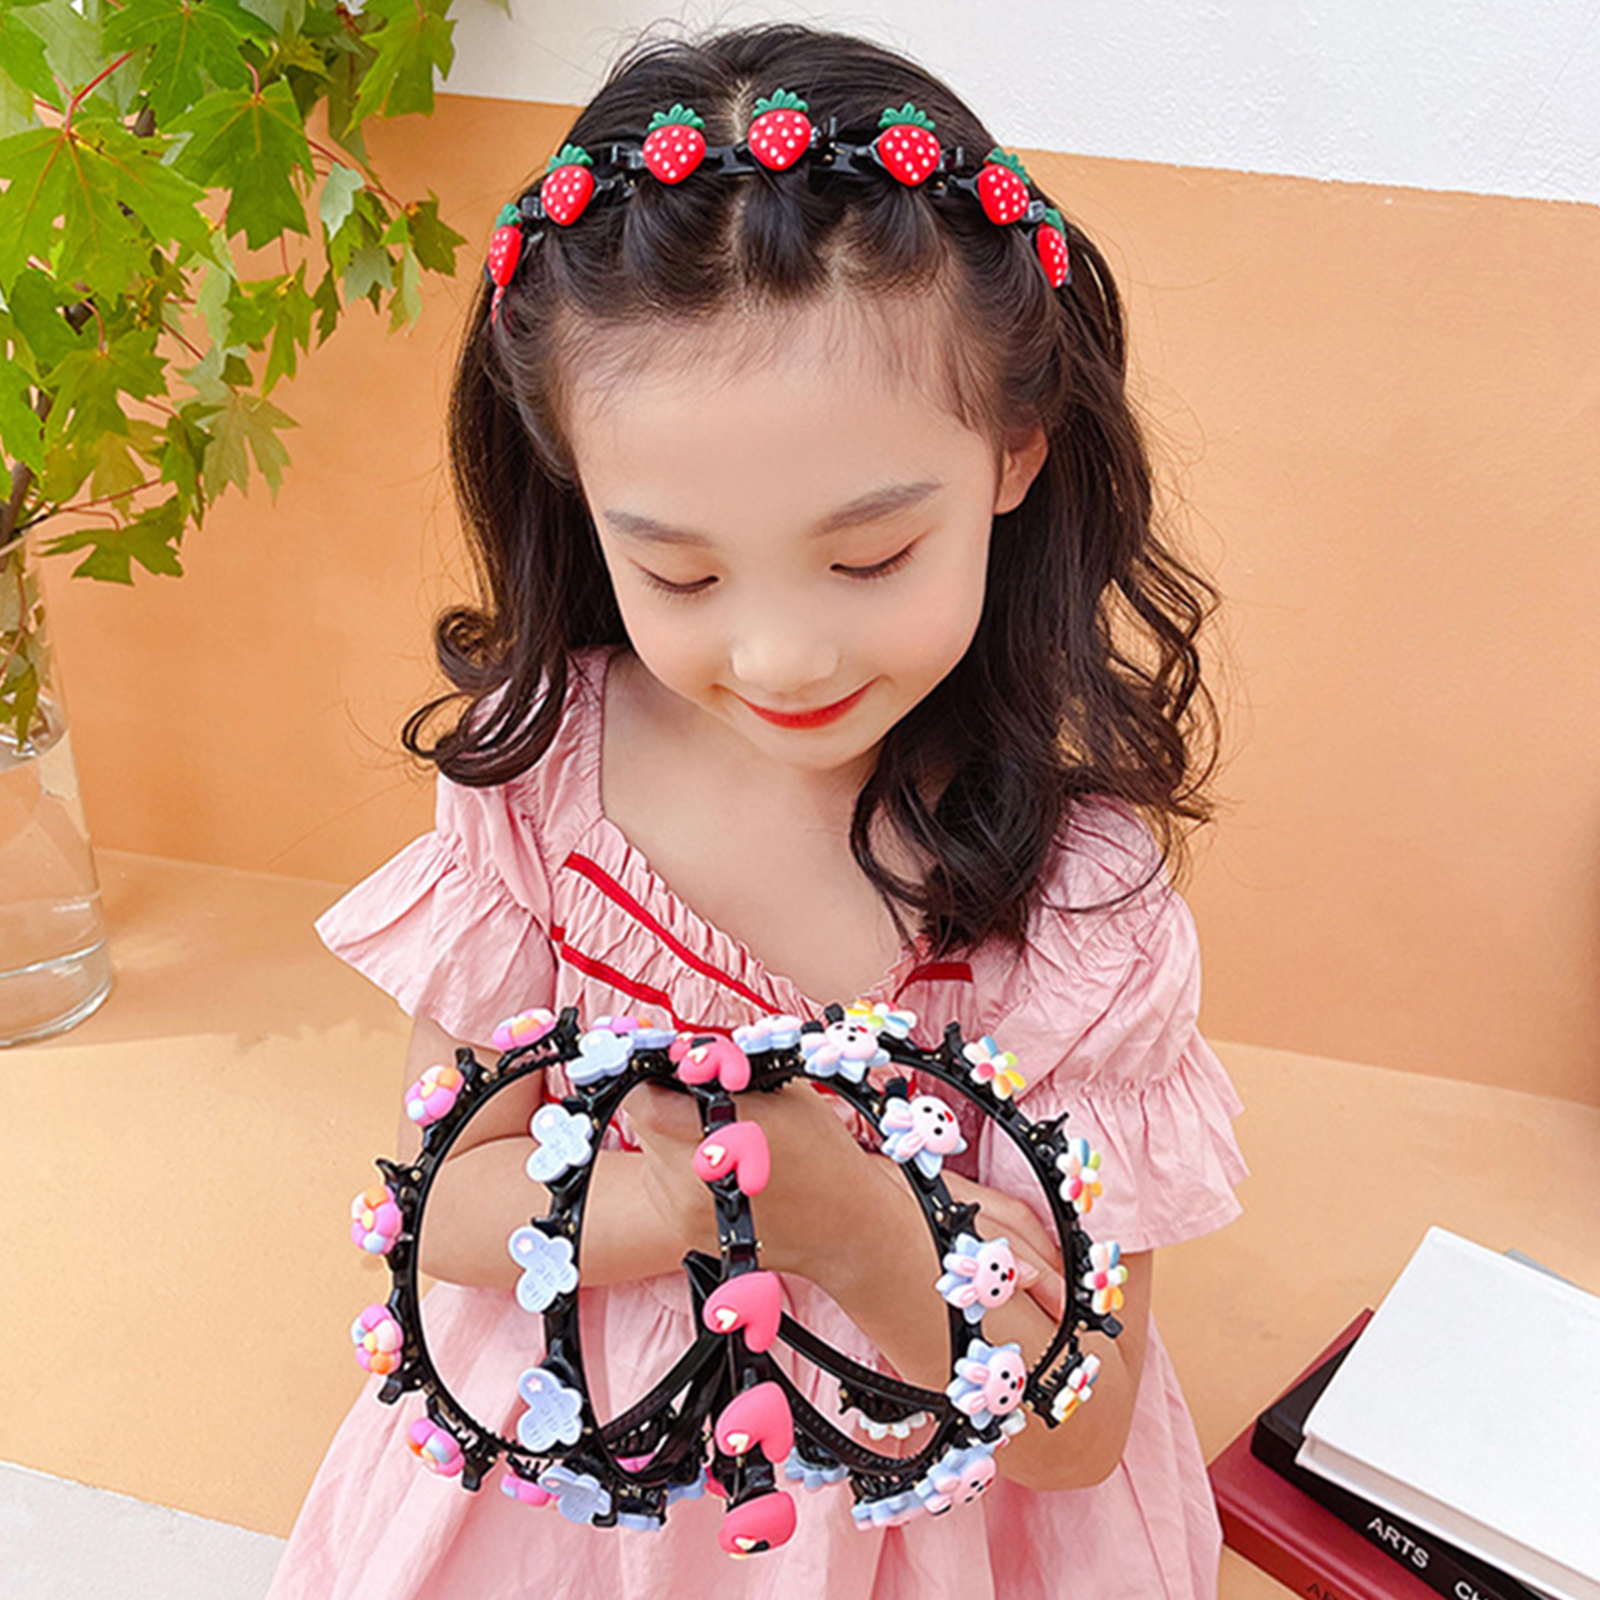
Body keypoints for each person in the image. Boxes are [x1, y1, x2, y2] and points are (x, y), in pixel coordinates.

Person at [266, 20, 1246, 1600]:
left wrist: (853, 1226)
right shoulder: (547, 787)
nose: (783, 656)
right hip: (571, 1511)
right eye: (681, 572)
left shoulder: (1080, 915)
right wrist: (672, 1201)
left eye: (869, 558)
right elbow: (443, 1207)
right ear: (577, 490)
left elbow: (1081, 1429)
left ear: (1016, 450)